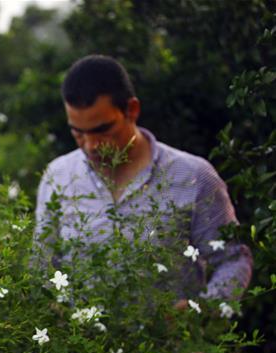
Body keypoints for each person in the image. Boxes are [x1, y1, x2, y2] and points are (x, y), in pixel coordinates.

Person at [33, 55, 252, 305]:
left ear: (132, 110)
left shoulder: (194, 176)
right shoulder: (57, 177)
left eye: (102, 130)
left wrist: (203, 311)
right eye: (78, 132)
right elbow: (42, 265)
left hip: (170, 330)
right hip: (84, 330)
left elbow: (233, 260)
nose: (91, 145)